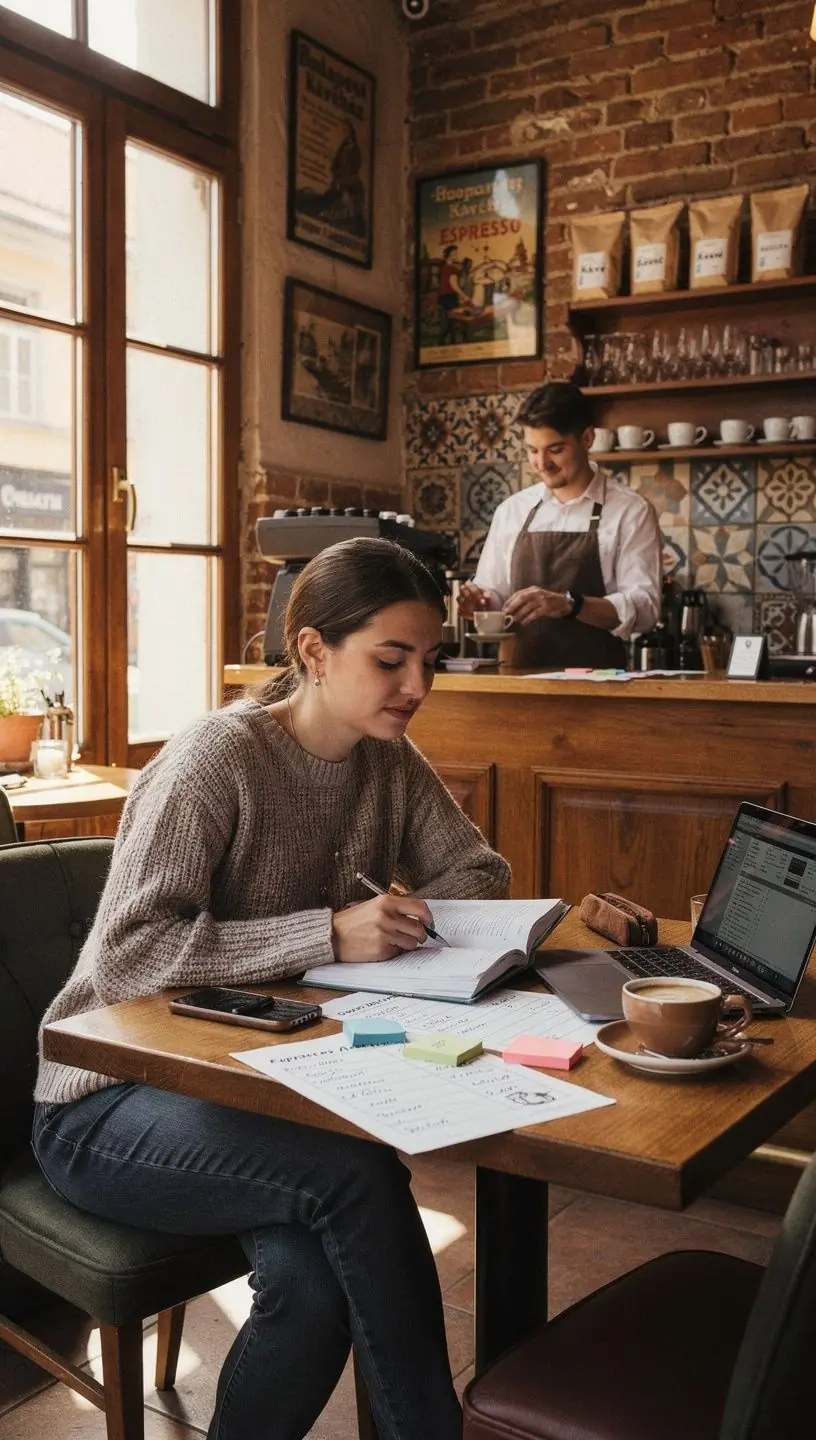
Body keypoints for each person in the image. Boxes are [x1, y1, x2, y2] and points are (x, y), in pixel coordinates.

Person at [32, 538, 510, 1440]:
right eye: (391, 660)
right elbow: (131, 955)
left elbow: (480, 874)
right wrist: (327, 933)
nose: (417, 685)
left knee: (314, 1286)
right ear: (314, 650)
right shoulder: (216, 759)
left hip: (251, 1089)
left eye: (430, 660)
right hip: (107, 1101)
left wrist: (411, 917)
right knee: (359, 1177)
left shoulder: (386, 758)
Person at [458, 383, 662, 669]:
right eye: (532, 450)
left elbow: (646, 609)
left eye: (555, 449)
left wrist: (570, 604)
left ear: (587, 438)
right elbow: (494, 596)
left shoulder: (630, 511)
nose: (542, 464)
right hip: (516, 681)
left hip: (598, 684)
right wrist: (478, 603)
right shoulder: (512, 511)